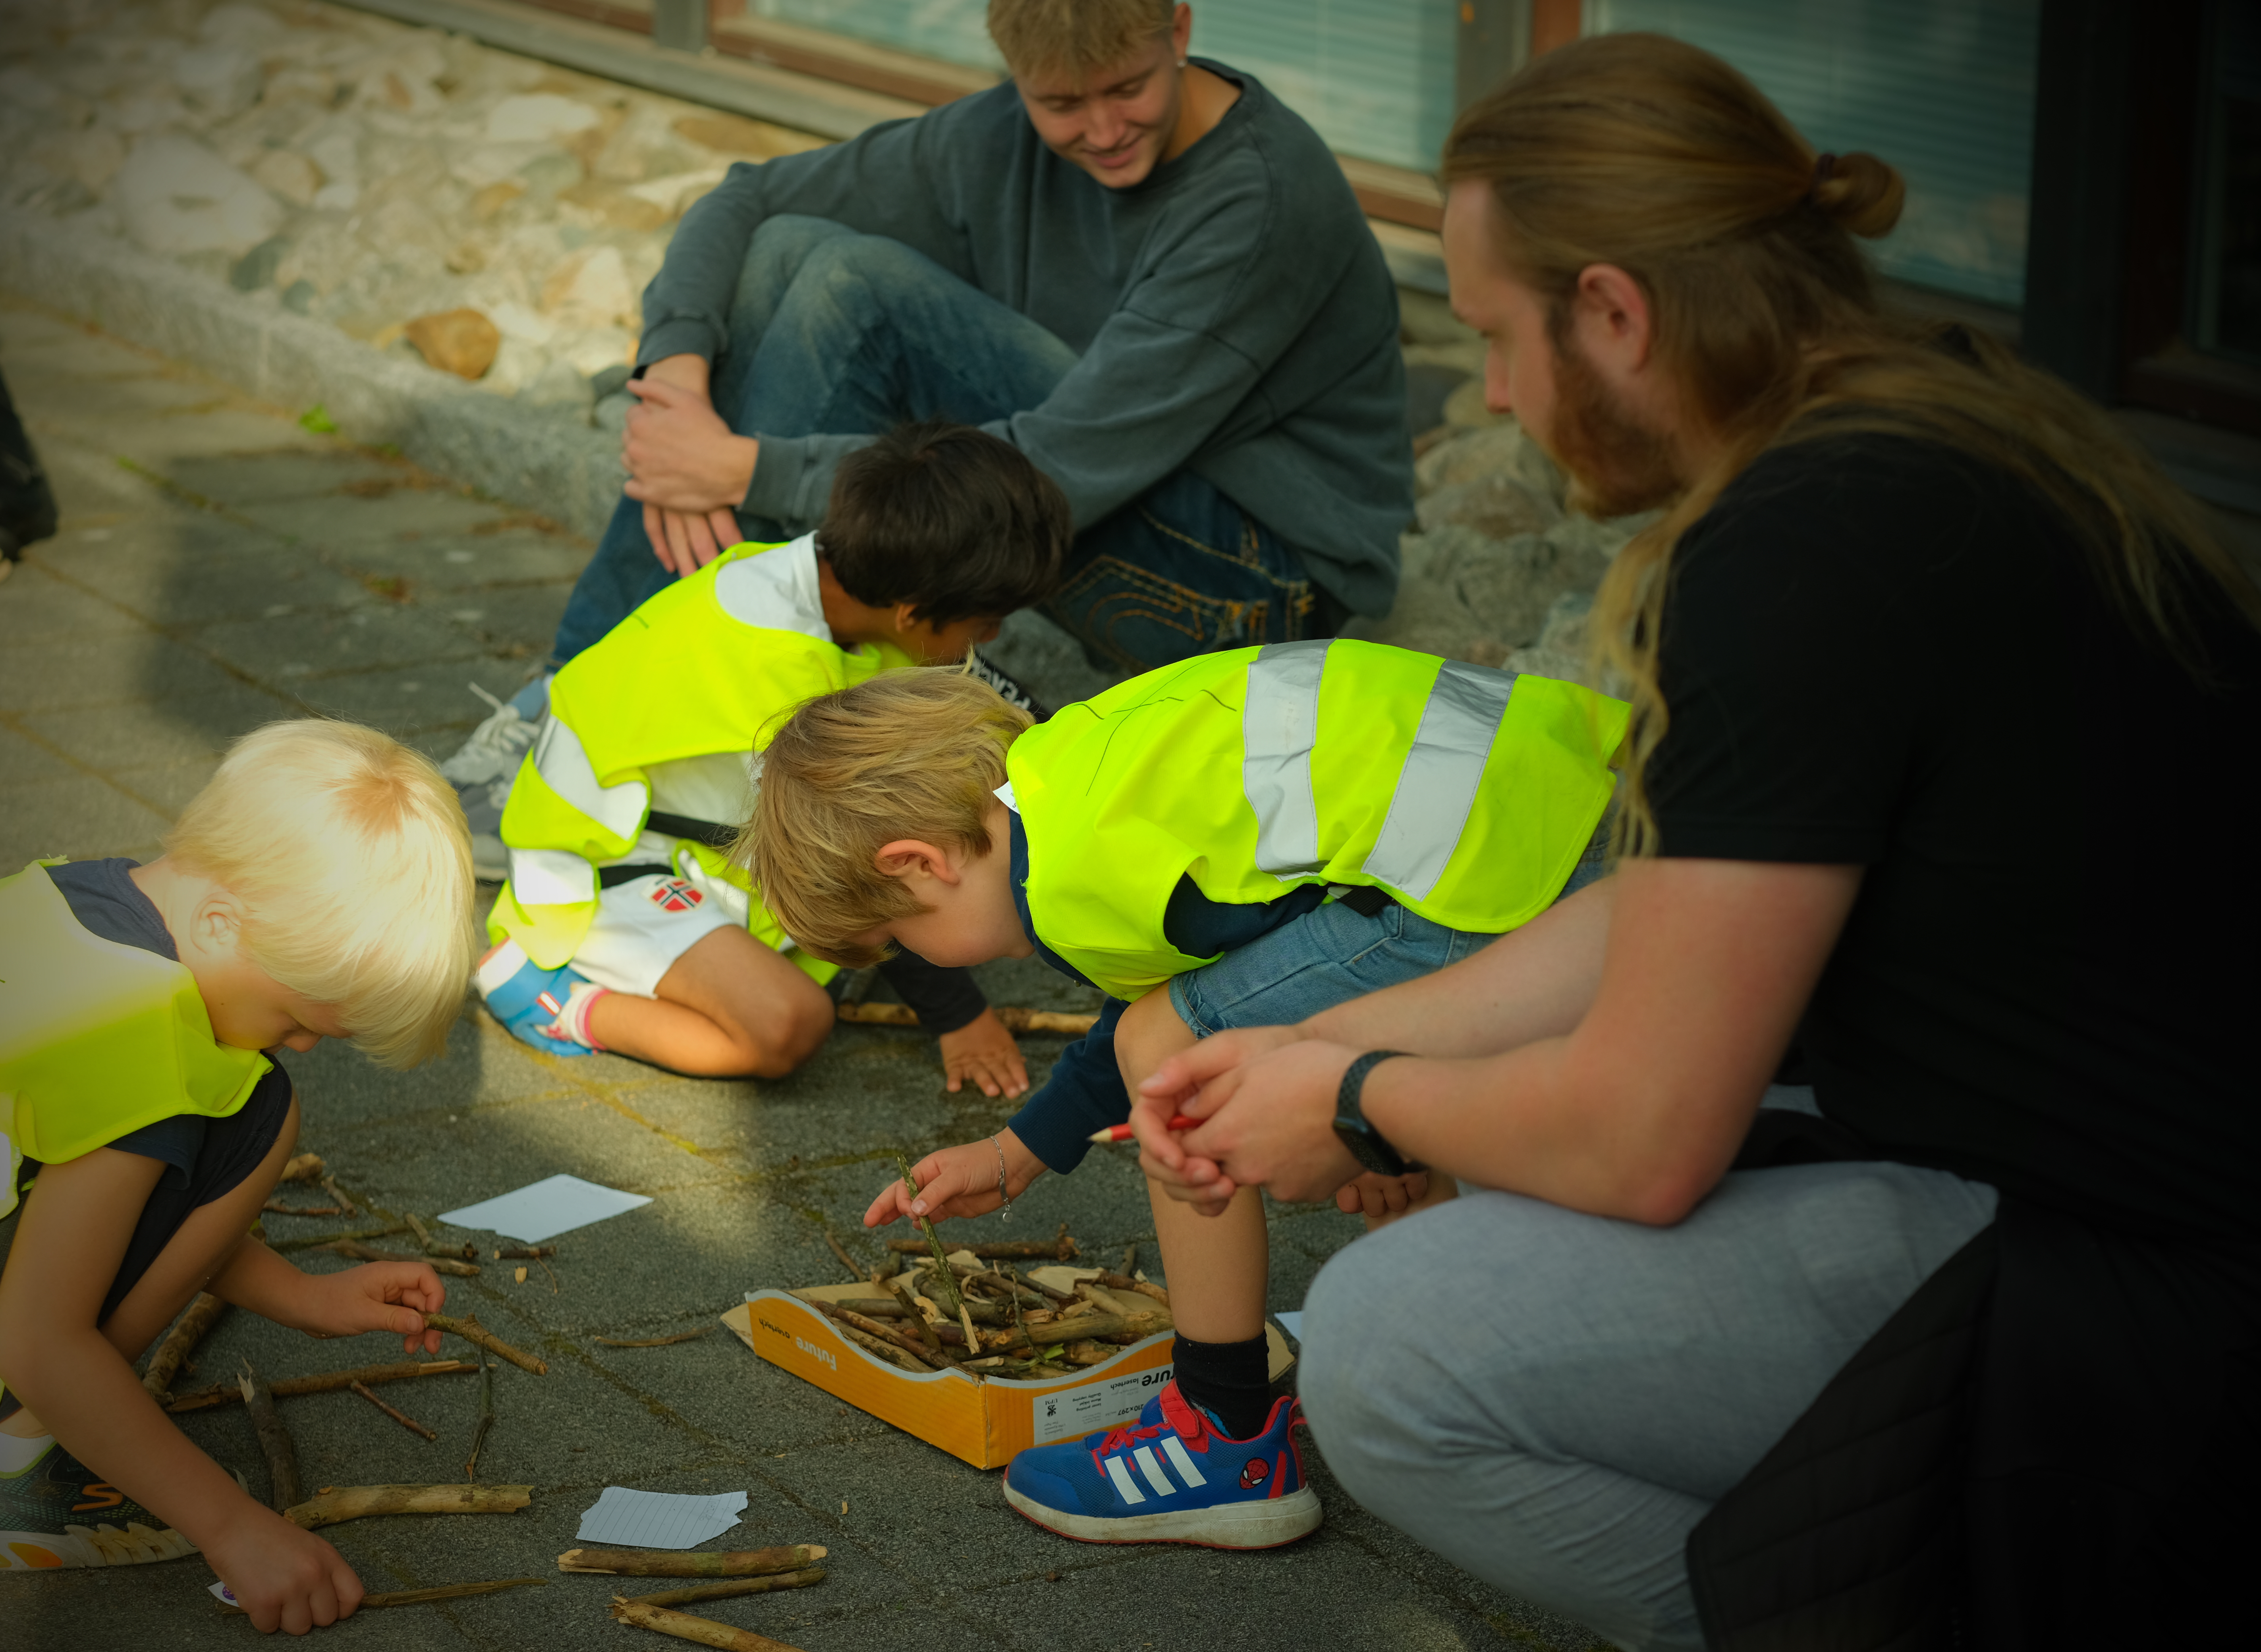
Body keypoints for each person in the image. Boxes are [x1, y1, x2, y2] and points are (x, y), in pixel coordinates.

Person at [1127, 33, 2261, 1650]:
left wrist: (1360, 1108)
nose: (1500, 395)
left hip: (2140, 1289)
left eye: (1502, 339)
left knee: (1392, 1345)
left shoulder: (1789, 551)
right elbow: (1659, 917)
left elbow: (1644, 1134)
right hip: (2102, 1180)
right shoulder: (1944, 426)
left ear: (1615, 310)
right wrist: (1314, 1035)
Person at [737, 645, 1627, 1546]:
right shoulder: (1070, 767)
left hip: (1486, 873)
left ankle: (1225, 1437)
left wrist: (1365, 1121)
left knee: (1167, 1051)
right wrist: (1020, 1151)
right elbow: (1246, 971)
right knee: (1176, 1036)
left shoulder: (1071, 887)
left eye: (898, 935)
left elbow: (1181, 1026)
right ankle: (1462, 1391)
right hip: (1571, 791)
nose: (918, 959)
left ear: (919, 863)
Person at [509, 0, 1407, 734]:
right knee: (785, 249)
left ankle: (613, 716)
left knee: (855, 287)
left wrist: (742, 468)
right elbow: (746, 196)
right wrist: (675, 386)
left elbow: (1062, 468)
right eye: (1061, 103)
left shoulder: (1260, 198)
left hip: (1251, 588)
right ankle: (599, 704)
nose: (1102, 130)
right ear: (1015, 75)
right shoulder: (997, 138)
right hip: (1100, 499)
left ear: (1178, 29)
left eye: (1128, 88)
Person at [0, 720, 479, 1635]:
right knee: (258, 1110)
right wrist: (235, 1528)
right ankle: (4, 1469)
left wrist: (302, 1296)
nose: (302, 1042)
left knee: (222, 1103)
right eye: (296, 1018)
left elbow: (107, 1197)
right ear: (225, 923)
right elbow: (40, 1343)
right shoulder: (139, 1039)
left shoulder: (72, 900)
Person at [475, 422, 1070, 1090]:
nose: (990, 639)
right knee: (787, 1023)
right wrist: (959, 1017)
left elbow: (1009, 714)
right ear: (910, 612)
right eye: (987, 622)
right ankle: (558, 1001)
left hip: (678, 827)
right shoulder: (778, 689)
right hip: (601, 865)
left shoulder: (819, 574)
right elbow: (865, 847)